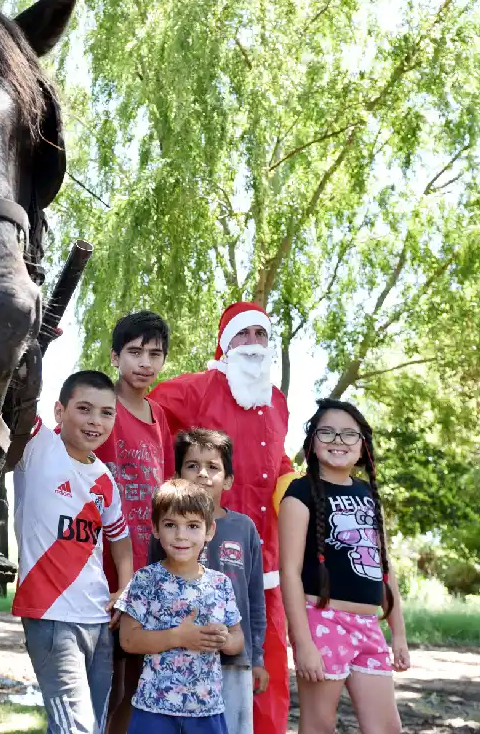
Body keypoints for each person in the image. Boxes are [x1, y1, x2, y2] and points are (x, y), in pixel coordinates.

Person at [149, 301, 296, 734]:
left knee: (267, 662)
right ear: (224, 344)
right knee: (193, 659)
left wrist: (292, 486)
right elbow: (146, 418)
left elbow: (278, 458)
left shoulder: (277, 401)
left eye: (261, 336)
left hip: (263, 555)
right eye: (243, 335)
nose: (253, 345)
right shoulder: (196, 388)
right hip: (203, 552)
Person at [13, 369, 134, 734]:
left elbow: (121, 539)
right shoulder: (36, 445)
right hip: (50, 617)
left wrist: (125, 588)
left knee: (92, 727)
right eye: (84, 409)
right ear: (59, 411)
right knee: (76, 729)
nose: (95, 421)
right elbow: (5, 394)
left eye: (106, 412)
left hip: (99, 618)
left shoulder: (104, 479)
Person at [278, 399, 410, 734]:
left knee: (386, 727)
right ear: (312, 442)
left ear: (363, 446)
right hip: (323, 622)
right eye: (328, 432)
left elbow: (385, 569)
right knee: (320, 725)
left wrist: (398, 634)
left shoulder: (368, 494)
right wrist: (302, 642)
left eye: (349, 434)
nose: (339, 440)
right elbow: (289, 572)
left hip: (368, 625)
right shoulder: (300, 492)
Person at [150, 429, 266, 734]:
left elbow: (255, 597)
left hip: (231, 658)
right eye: (192, 465)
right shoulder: (167, 530)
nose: (202, 474)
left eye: (213, 467)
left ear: (227, 479)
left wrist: (256, 657)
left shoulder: (244, 528)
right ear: (177, 474)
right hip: (174, 661)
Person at [96, 311, 173, 734]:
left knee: (136, 684)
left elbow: (161, 485)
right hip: (104, 563)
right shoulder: (101, 406)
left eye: (155, 354)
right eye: (135, 352)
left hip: (149, 564)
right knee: (105, 680)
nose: (145, 362)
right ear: (116, 356)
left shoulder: (159, 415)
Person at [116, 478, 243, 733]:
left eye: (193, 525)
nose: (181, 535)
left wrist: (223, 639)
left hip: (206, 710)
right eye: (171, 525)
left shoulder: (220, 584)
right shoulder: (145, 579)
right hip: (154, 708)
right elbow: (128, 640)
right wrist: (179, 637)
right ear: (155, 528)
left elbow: (237, 639)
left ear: (209, 531)